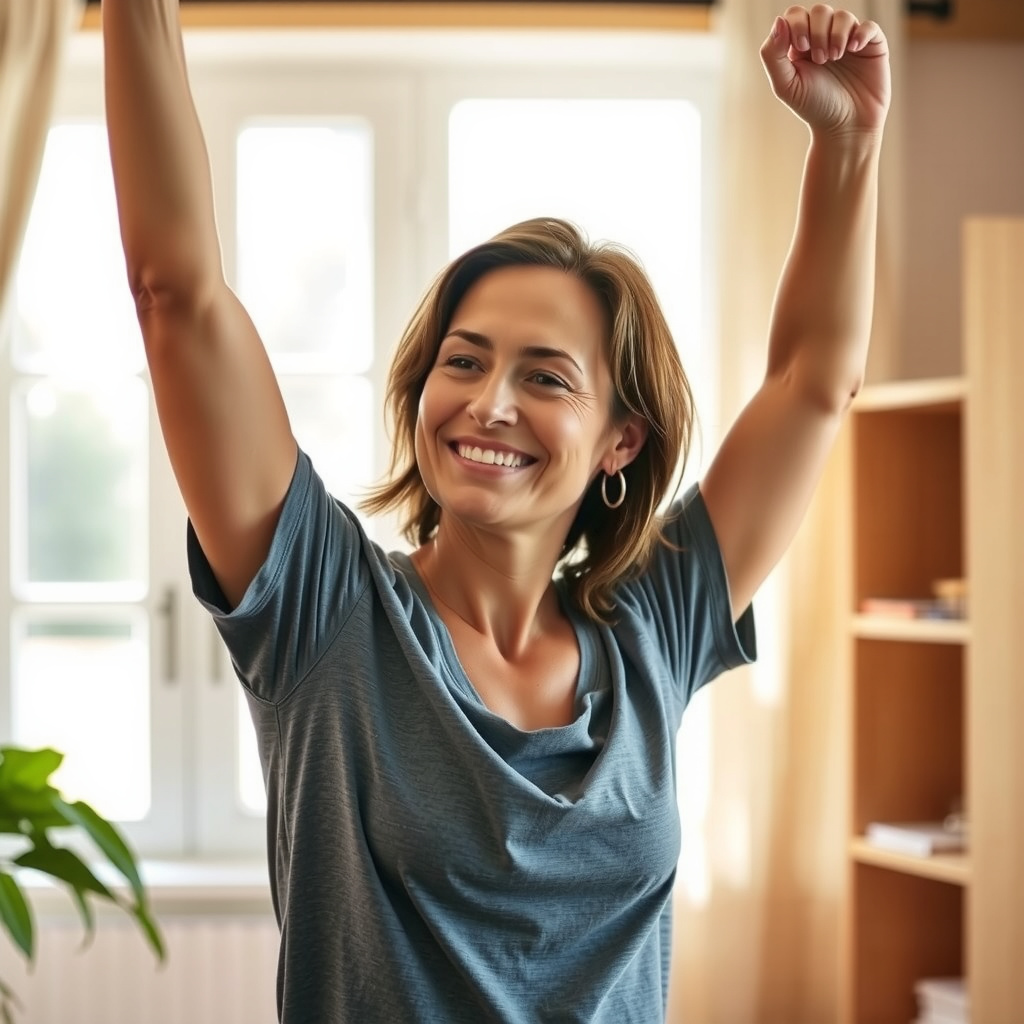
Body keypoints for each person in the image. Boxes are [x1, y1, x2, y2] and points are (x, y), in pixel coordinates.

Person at [102, 2, 890, 1021]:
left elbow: (813, 382)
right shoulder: (324, 609)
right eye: (462, 361)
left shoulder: (655, 624)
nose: (490, 402)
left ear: (620, 441)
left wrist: (849, 139)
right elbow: (177, 293)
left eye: (545, 377)